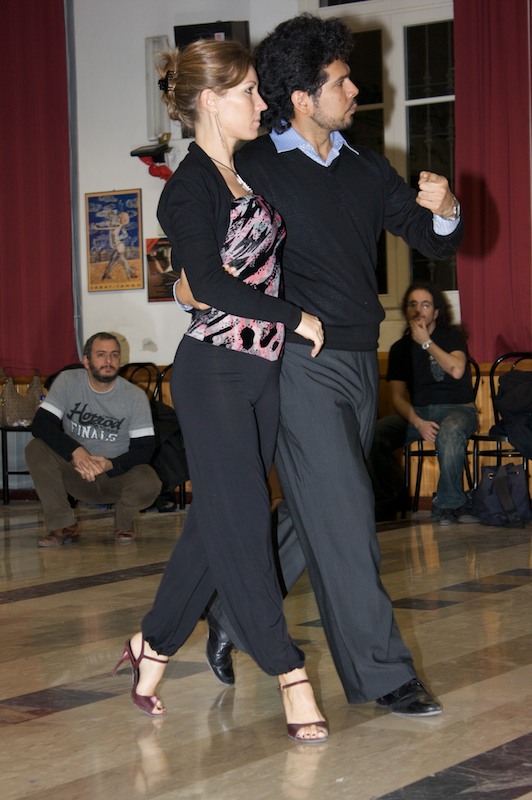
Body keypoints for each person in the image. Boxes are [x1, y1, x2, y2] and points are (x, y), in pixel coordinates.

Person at [197, 14, 464, 716]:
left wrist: (446, 208)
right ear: (302, 98)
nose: (356, 89)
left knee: (324, 505)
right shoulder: (253, 167)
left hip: (359, 359)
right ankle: (385, 675)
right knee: (346, 511)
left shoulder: (365, 165)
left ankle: (232, 614)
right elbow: (206, 253)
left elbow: (431, 239)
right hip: (294, 360)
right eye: (341, 79)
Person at [112, 39, 329, 745]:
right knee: (243, 521)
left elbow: (237, 274)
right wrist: (294, 317)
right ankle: (287, 671)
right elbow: (203, 282)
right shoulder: (190, 185)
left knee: (217, 523)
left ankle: (152, 645)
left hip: (259, 374)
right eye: (248, 93)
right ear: (210, 101)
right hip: (213, 375)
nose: (261, 104)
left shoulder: (243, 177)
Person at [26, 332, 161, 546]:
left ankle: (124, 523)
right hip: (76, 472)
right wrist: (76, 452)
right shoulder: (68, 381)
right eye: (101, 355)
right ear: (86, 361)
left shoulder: (135, 396)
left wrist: (110, 464)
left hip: (116, 475)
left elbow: (144, 449)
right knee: (36, 448)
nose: (108, 361)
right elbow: (41, 425)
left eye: (114, 355)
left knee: (149, 480)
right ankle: (62, 524)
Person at [367, 283, 478, 525]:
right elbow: (396, 398)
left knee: (449, 431)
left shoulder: (451, 336)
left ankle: (449, 505)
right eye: (413, 304)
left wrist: (426, 342)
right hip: (419, 414)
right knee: (374, 436)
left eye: (426, 305)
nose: (419, 310)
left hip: (459, 409)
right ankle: (391, 501)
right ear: (406, 311)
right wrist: (418, 423)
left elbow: (457, 370)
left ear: (436, 312)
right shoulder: (399, 350)